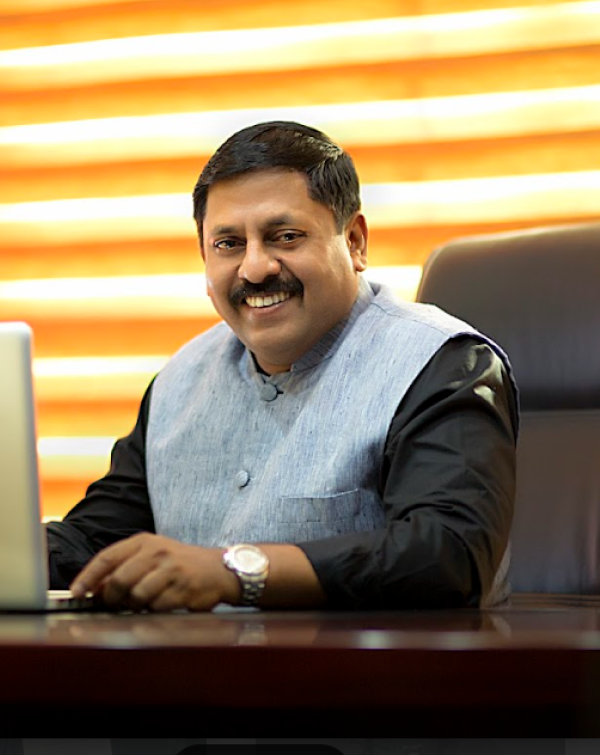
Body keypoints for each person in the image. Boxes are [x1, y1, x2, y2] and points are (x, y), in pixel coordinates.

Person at [46, 121, 518, 612]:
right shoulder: (179, 380)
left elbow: (445, 555)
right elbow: (98, 541)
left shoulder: (442, 364)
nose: (255, 268)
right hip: (192, 660)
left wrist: (234, 572)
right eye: (228, 244)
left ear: (354, 242)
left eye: (285, 236)